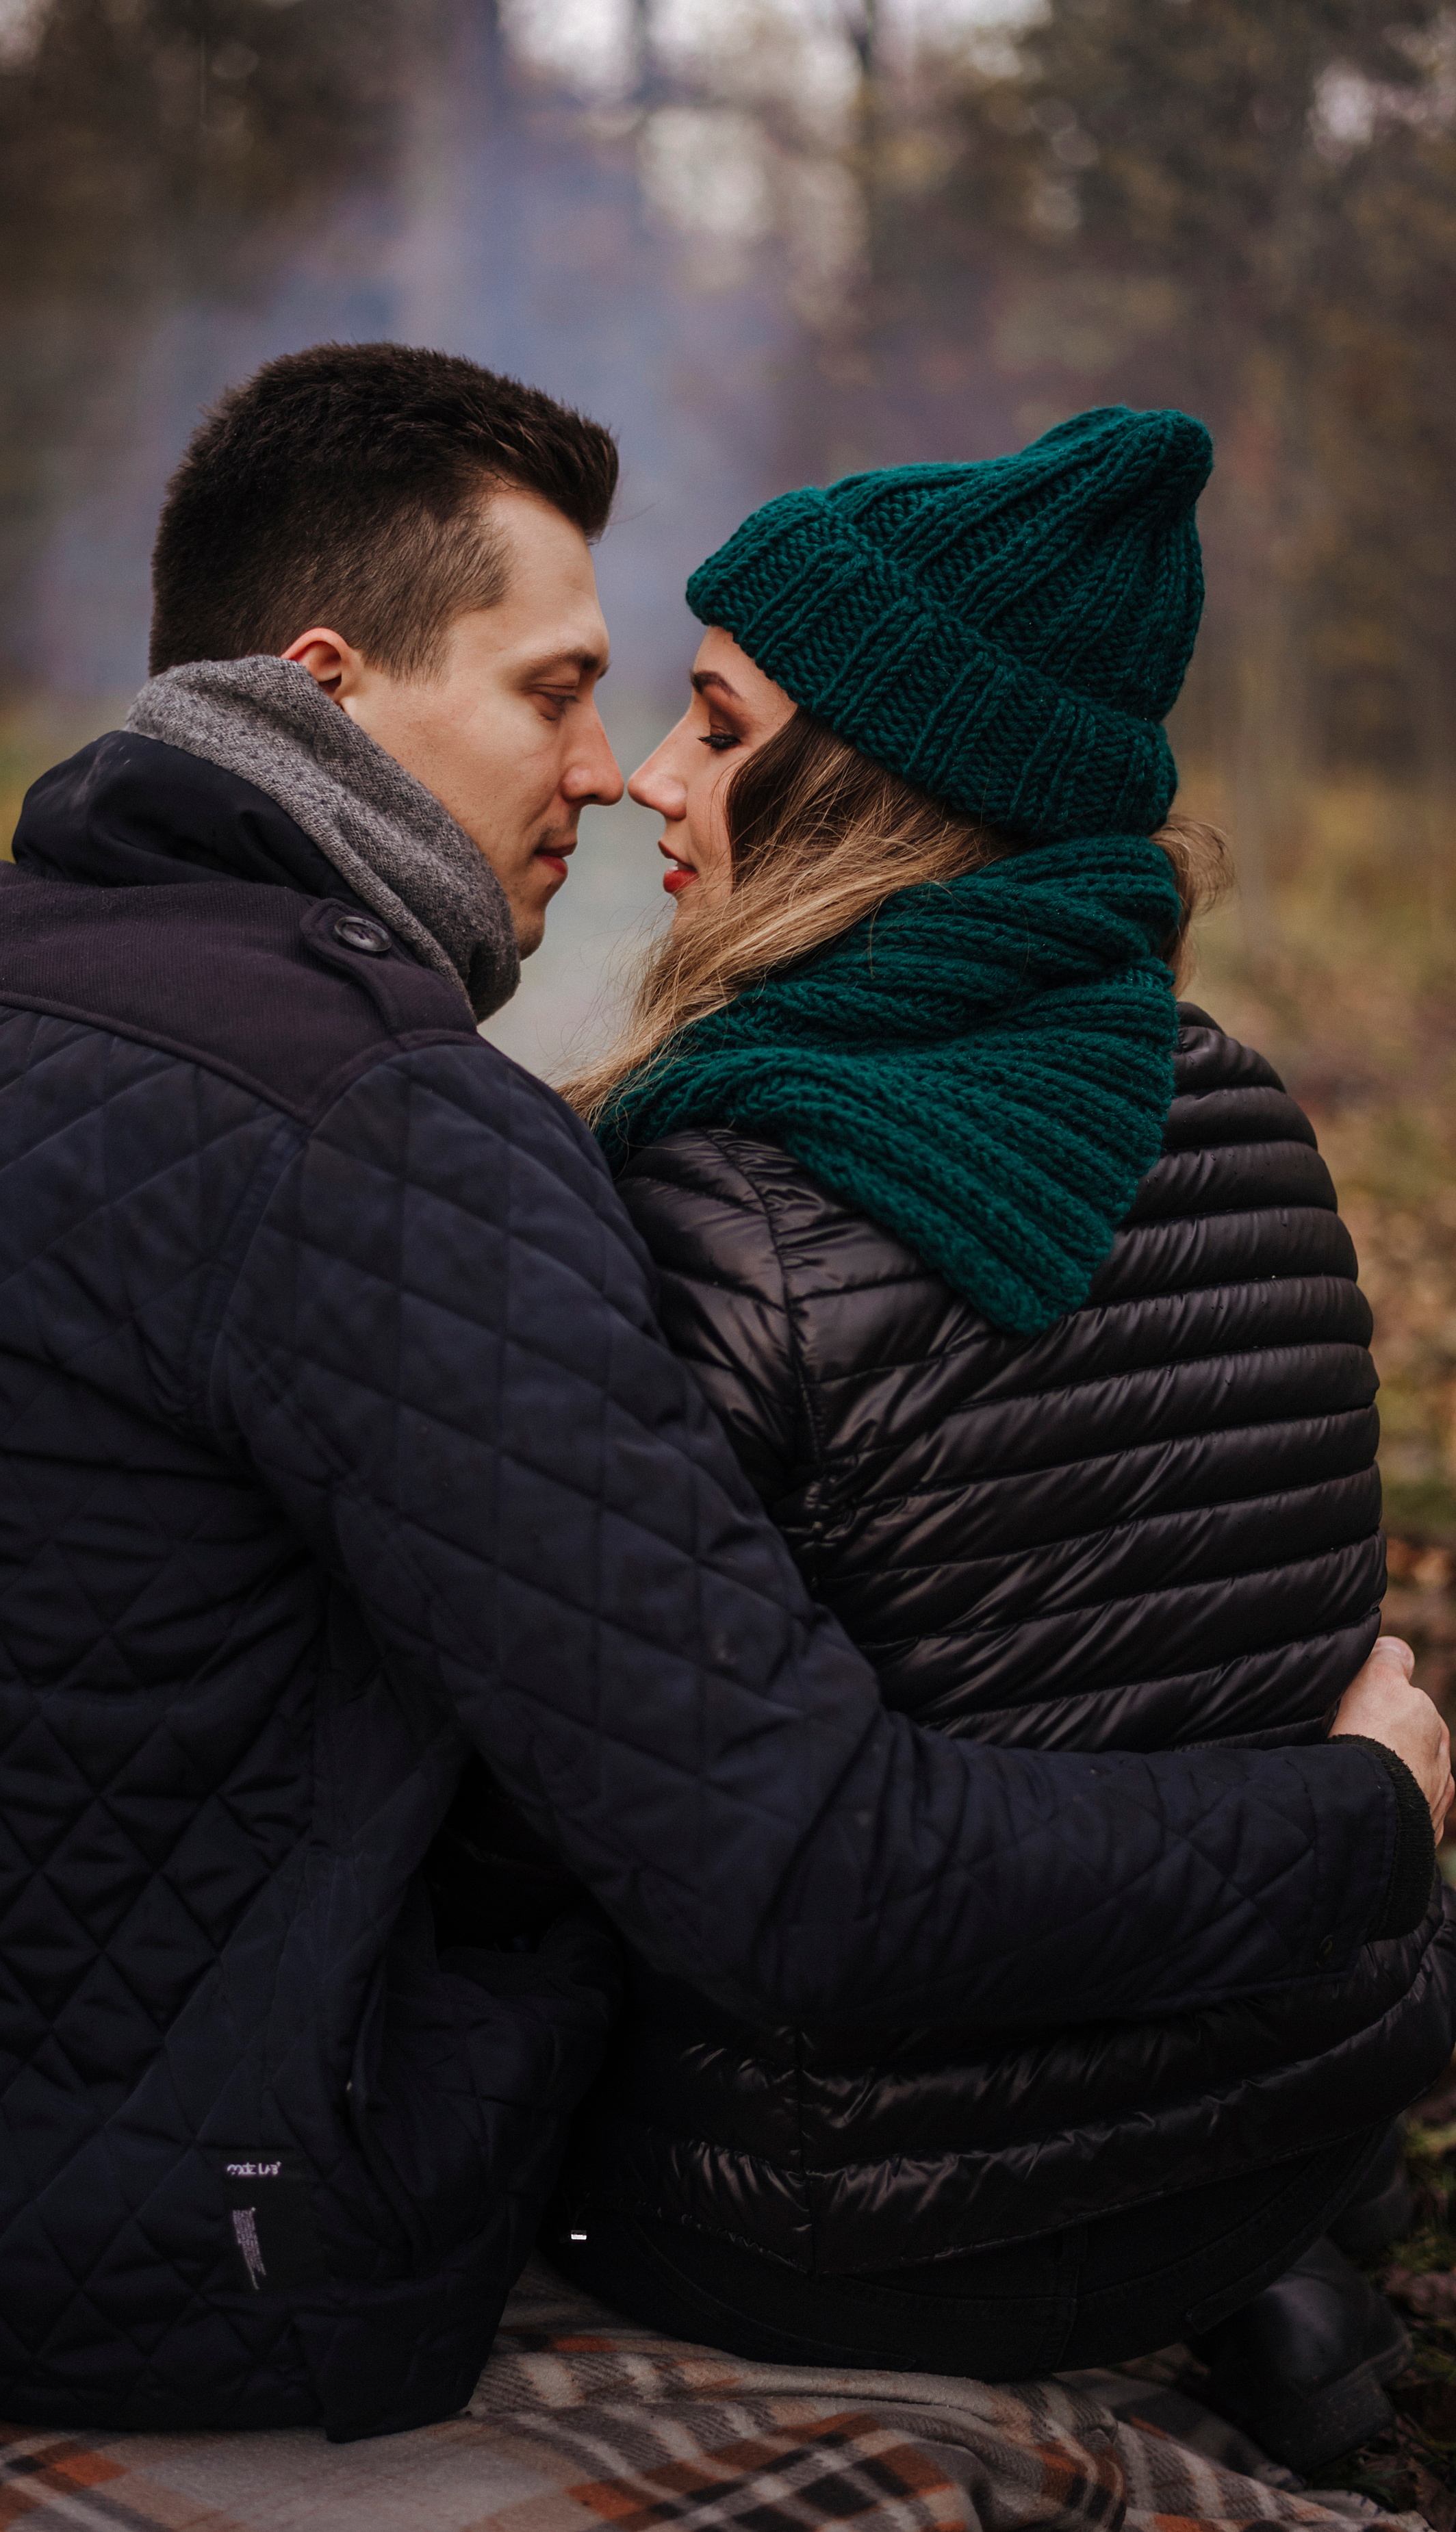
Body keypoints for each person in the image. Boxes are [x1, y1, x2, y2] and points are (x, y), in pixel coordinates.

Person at [0, 351, 1448, 2449]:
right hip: (172, 2262)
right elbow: (794, 1858)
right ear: (327, 683)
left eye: (680, 713)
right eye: (560, 691)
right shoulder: (392, 1121)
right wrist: (1361, 1829)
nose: (618, 774)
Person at [546, 405, 1455, 2472]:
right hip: (1272, 2131)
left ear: (872, 784)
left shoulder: (718, 1200)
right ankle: (1272, 2291)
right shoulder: (1243, 1110)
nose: (653, 787)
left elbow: (614, 1821)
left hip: (839, 2242)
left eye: (711, 724)